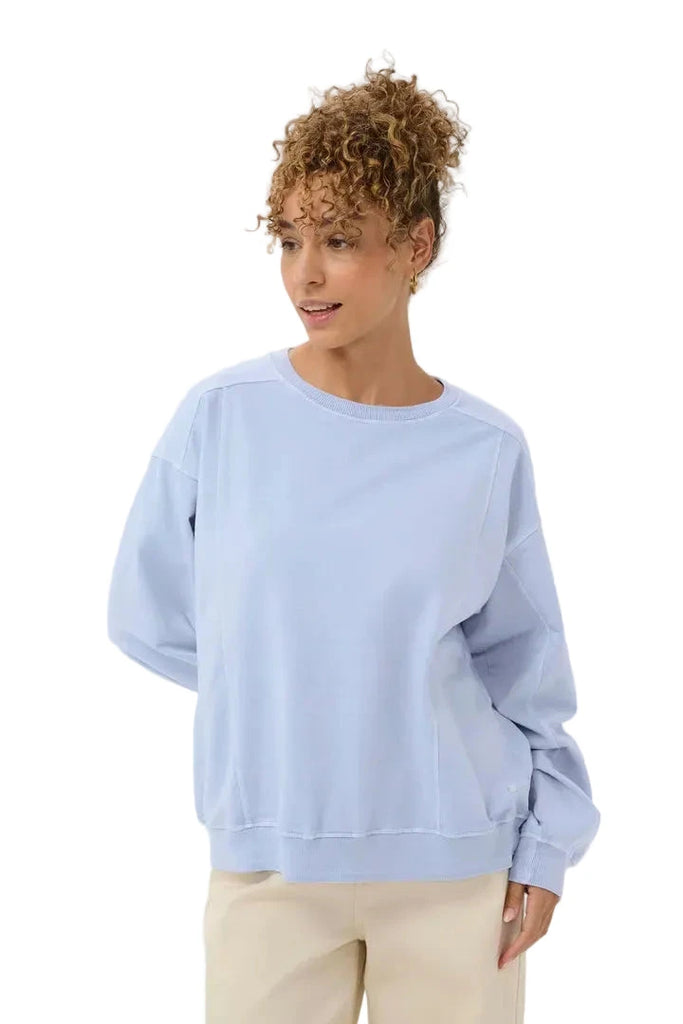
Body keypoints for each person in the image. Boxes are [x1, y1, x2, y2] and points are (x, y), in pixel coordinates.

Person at [107, 57, 600, 1024]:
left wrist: (545, 849)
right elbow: (147, 615)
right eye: (289, 239)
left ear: (415, 245)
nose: (306, 272)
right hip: (270, 866)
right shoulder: (222, 418)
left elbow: (525, 670)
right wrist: (293, 686)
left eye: (338, 239)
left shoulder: (484, 449)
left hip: (459, 869)